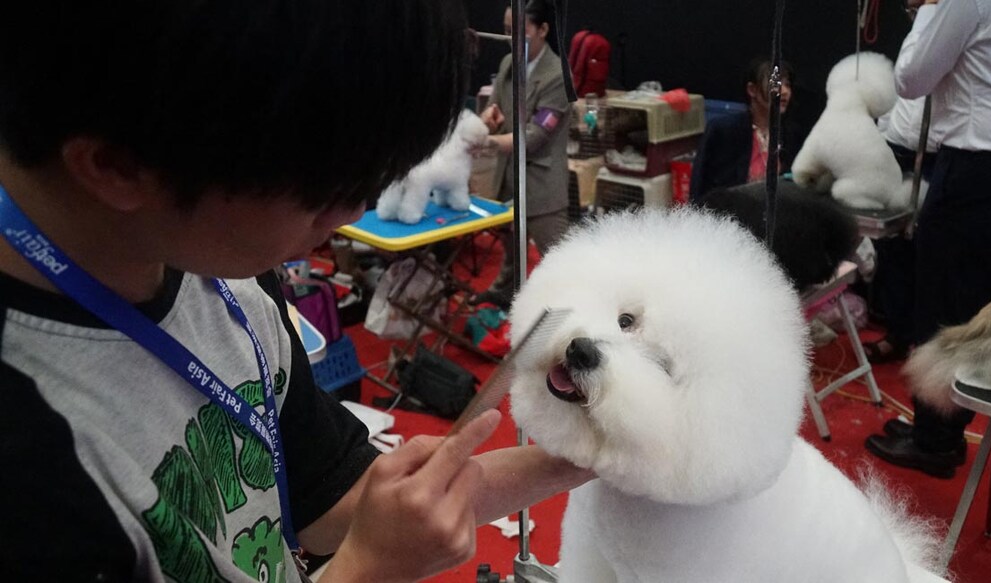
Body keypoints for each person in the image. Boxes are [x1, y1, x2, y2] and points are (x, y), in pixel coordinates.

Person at [0, 2, 592, 581]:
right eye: (325, 191)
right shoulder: (32, 450)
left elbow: (330, 494)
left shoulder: (224, 272)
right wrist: (368, 570)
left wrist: (592, 458)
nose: (355, 211)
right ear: (117, 166)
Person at [864, 0, 991, 479]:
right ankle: (940, 426)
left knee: (941, 306)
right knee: (969, 302)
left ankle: (935, 440)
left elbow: (911, 79)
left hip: (977, 164)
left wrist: (929, 11)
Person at [472, 0, 572, 310]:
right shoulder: (507, 64)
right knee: (510, 248)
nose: (509, 39)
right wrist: (490, 116)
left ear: (543, 30)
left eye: (518, 31)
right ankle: (505, 291)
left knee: (559, 257)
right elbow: (499, 106)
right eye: (505, 31)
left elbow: (536, 136)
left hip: (542, 183)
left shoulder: (558, 74)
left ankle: (573, 308)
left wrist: (485, 142)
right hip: (508, 178)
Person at [861, 94, 942, 363]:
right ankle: (898, 334)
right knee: (891, 246)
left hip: (937, 155)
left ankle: (928, 342)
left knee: (932, 251)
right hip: (896, 150)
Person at [689, 57, 804, 207]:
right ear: (752, 90)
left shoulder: (791, 134)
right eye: (776, 84)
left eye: (787, 85)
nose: (785, 92)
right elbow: (700, 188)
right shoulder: (724, 131)